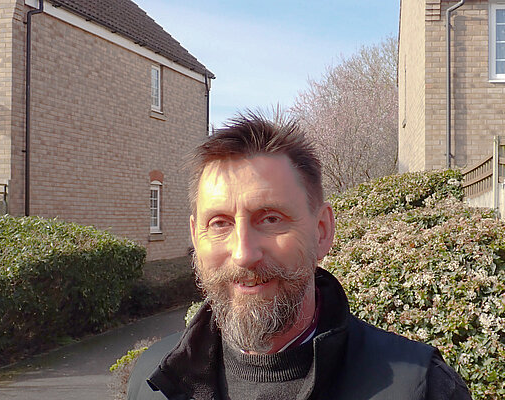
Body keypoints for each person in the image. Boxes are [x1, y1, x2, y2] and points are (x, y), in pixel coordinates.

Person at [127, 112, 471, 400]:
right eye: (219, 224)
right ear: (194, 238)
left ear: (322, 230)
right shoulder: (151, 383)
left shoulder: (421, 387)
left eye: (271, 218)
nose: (244, 253)